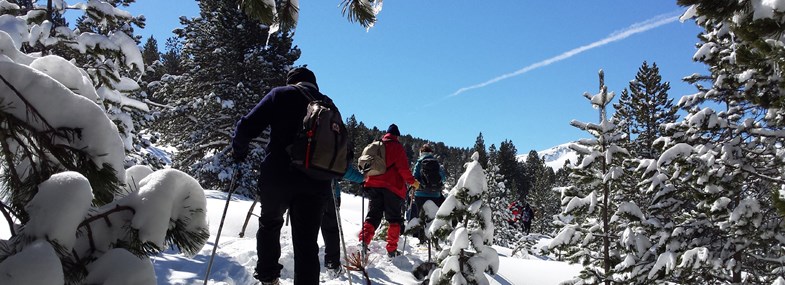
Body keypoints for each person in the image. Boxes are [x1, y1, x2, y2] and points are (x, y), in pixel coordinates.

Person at [232, 67, 336, 285]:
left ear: (292, 82)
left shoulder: (280, 94)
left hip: (278, 175)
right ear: (314, 84)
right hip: (315, 182)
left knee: (270, 225)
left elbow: (246, 126)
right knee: (307, 243)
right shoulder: (328, 104)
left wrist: (239, 153)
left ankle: (269, 278)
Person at [358, 124, 420, 258]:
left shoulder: (376, 145)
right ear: (397, 136)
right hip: (392, 188)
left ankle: (363, 241)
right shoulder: (397, 147)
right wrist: (412, 182)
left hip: (373, 185)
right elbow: (403, 169)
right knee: (394, 219)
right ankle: (392, 249)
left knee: (373, 216)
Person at [321, 163, 363, 277]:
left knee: (306, 232)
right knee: (330, 230)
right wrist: (363, 178)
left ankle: (305, 268)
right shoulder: (329, 150)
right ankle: (332, 265)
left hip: (304, 192)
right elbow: (342, 167)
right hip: (329, 192)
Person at [408, 144, 447, 239]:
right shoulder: (436, 163)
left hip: (420, 194)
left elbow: (414, 177)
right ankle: (432, 237)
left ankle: (420, 238)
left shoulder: (419, 162)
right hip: (435, 194)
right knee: (433, 217)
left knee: (420, 217)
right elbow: (443, 177)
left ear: (421, 152)